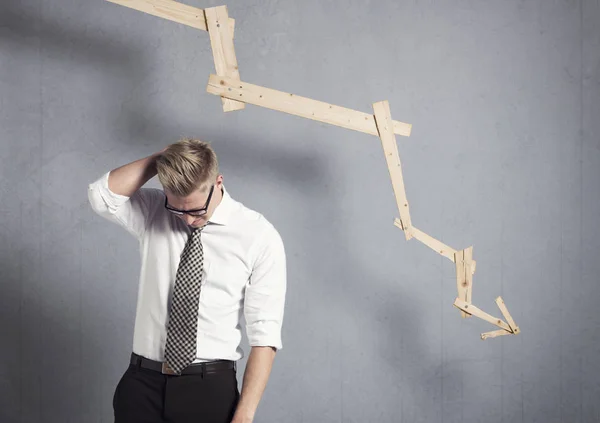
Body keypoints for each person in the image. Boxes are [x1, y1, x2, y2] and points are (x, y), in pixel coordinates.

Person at [87, 137, 287, 423]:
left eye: (195, 210)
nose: (187, 220)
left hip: (209, 390)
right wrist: (163, 159)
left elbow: (264, 336)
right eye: (177, 209)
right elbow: (101, 196)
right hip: (142, 384)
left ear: (218, 182)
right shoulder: (155, 212)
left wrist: (244, 415)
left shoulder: (258, 236)